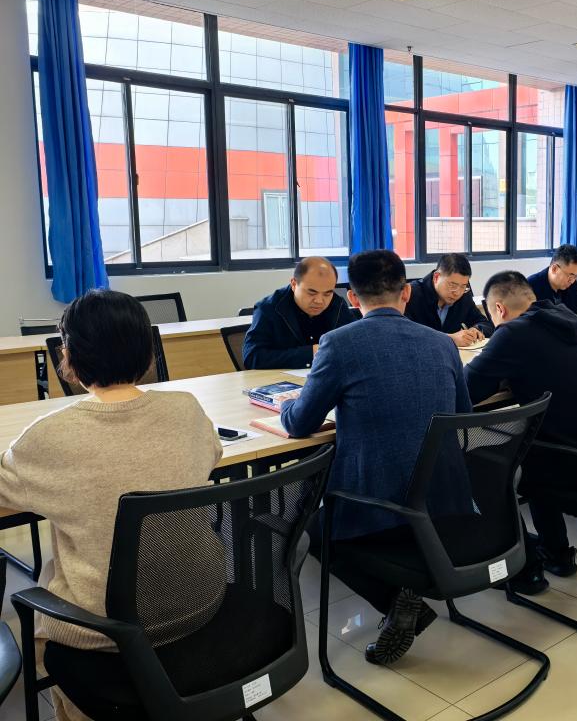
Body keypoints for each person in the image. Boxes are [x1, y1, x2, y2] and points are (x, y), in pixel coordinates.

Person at [0, 289, 223, 721]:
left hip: (103, 634)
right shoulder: (188, 409)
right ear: (148, 351)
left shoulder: (49, 436)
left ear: (68, 356)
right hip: (200, 603)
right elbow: (212, 452)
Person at [280, 250, 471, 667]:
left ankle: (396, 599)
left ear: (351, 298)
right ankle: (406, 590)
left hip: (378, 500)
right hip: (443, 496)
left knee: (312, 527)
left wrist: (288, 403)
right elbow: (463, 413)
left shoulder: (339, 343)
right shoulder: (443, 344)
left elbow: (299, 423)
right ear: (407, 293)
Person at [465, 271, 577, 592]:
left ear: (499, 309)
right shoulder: (568, 319)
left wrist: (499, 367)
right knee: (535, 447)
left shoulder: (512, 333)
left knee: (485, 457)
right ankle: (556, 552)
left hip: (568, 460)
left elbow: (467, 388)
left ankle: (539, 557)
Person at [242, 256, 355, 369]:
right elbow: (252, 357)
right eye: (311, 293)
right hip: (282, 379)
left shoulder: (338, 305)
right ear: (294, 284)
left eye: (327, 294)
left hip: (327, 376)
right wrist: (310, 354)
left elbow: (353, 346)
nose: (319, 301)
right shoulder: (268, 308)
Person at [405, 253, 493, 347]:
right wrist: (450, 339)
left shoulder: (464, 295)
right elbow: (405, 334)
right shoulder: (411, 295)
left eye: (463, 286)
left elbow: (485, 323)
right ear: (436, 277)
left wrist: (476, 330)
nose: (457, 293)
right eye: (452, 285)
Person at [527, 244, 577, 323]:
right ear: (554, 269)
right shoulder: (530, 286)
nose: (572, 281)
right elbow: (527, 322)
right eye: (570, 276)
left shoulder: (572, 285)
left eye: (576, 276)